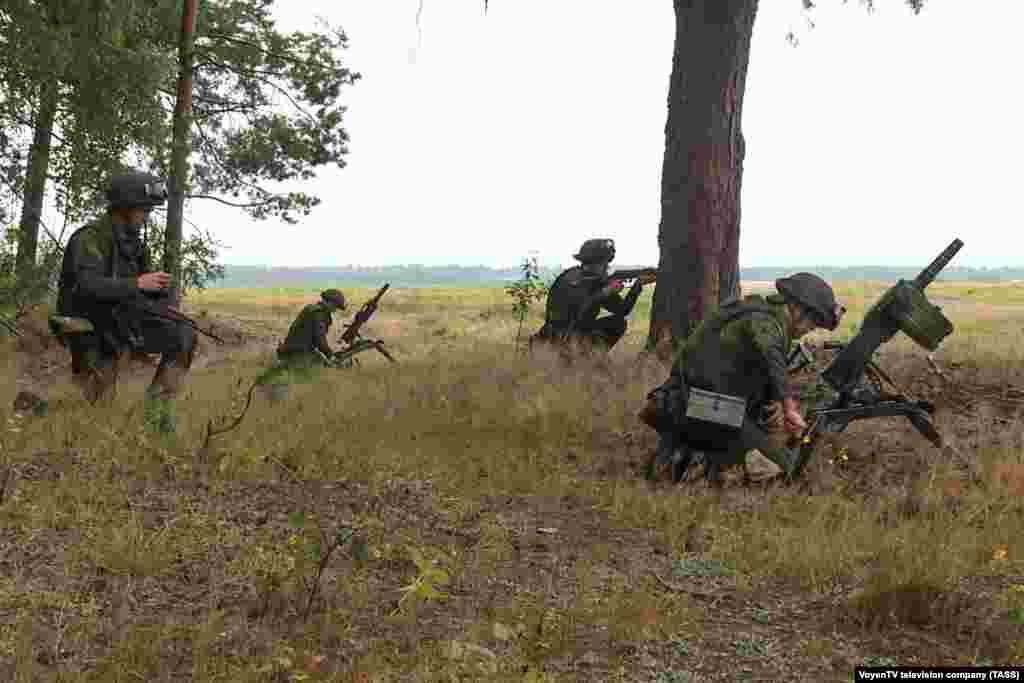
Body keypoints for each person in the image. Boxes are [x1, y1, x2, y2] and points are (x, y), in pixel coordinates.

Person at [639, 273, 844, 484]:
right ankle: (692, 465)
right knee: (781, 470)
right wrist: (788, 407)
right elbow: (770, 352)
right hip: (693, 405)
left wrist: (772, 403)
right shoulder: (764, 320)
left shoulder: (768, 319)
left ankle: (698, 460)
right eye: (814, 319)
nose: (813, 327)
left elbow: (754, 371)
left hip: (707, 405)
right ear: (797, 308)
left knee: (773, 455)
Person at [52, 169, 196, 435]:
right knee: (97, 413)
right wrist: (138, 284)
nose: (146, 217)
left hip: (119, 320)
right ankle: (35, 410)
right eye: (144, 210)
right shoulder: (89, 238)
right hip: (87, 327)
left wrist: (158, 296)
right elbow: (87, 286)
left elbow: (137, 290)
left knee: (182, 333)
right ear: (124, 207)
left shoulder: (133, 244)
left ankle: (155, 415)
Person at [532, 238, 656, 351]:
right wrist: (603, 293)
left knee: (618, 323)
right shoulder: (572, 279)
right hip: (558, 338)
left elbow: (622, 310)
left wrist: (637, 286)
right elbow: (578, 311)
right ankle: (587, 361)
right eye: (605, 263)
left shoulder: (595, 281)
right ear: (595, 262)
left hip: (573, 336)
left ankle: (591, 358)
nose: (607, 267)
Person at [276, 289, 348, 367]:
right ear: (329, 302)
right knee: (327, 368)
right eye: (335, 306)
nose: (335, 310)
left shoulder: (312, 309)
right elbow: (319, 339)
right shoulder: (319, 314)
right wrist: (330, 355)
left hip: (295, 350)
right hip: (297, 353)